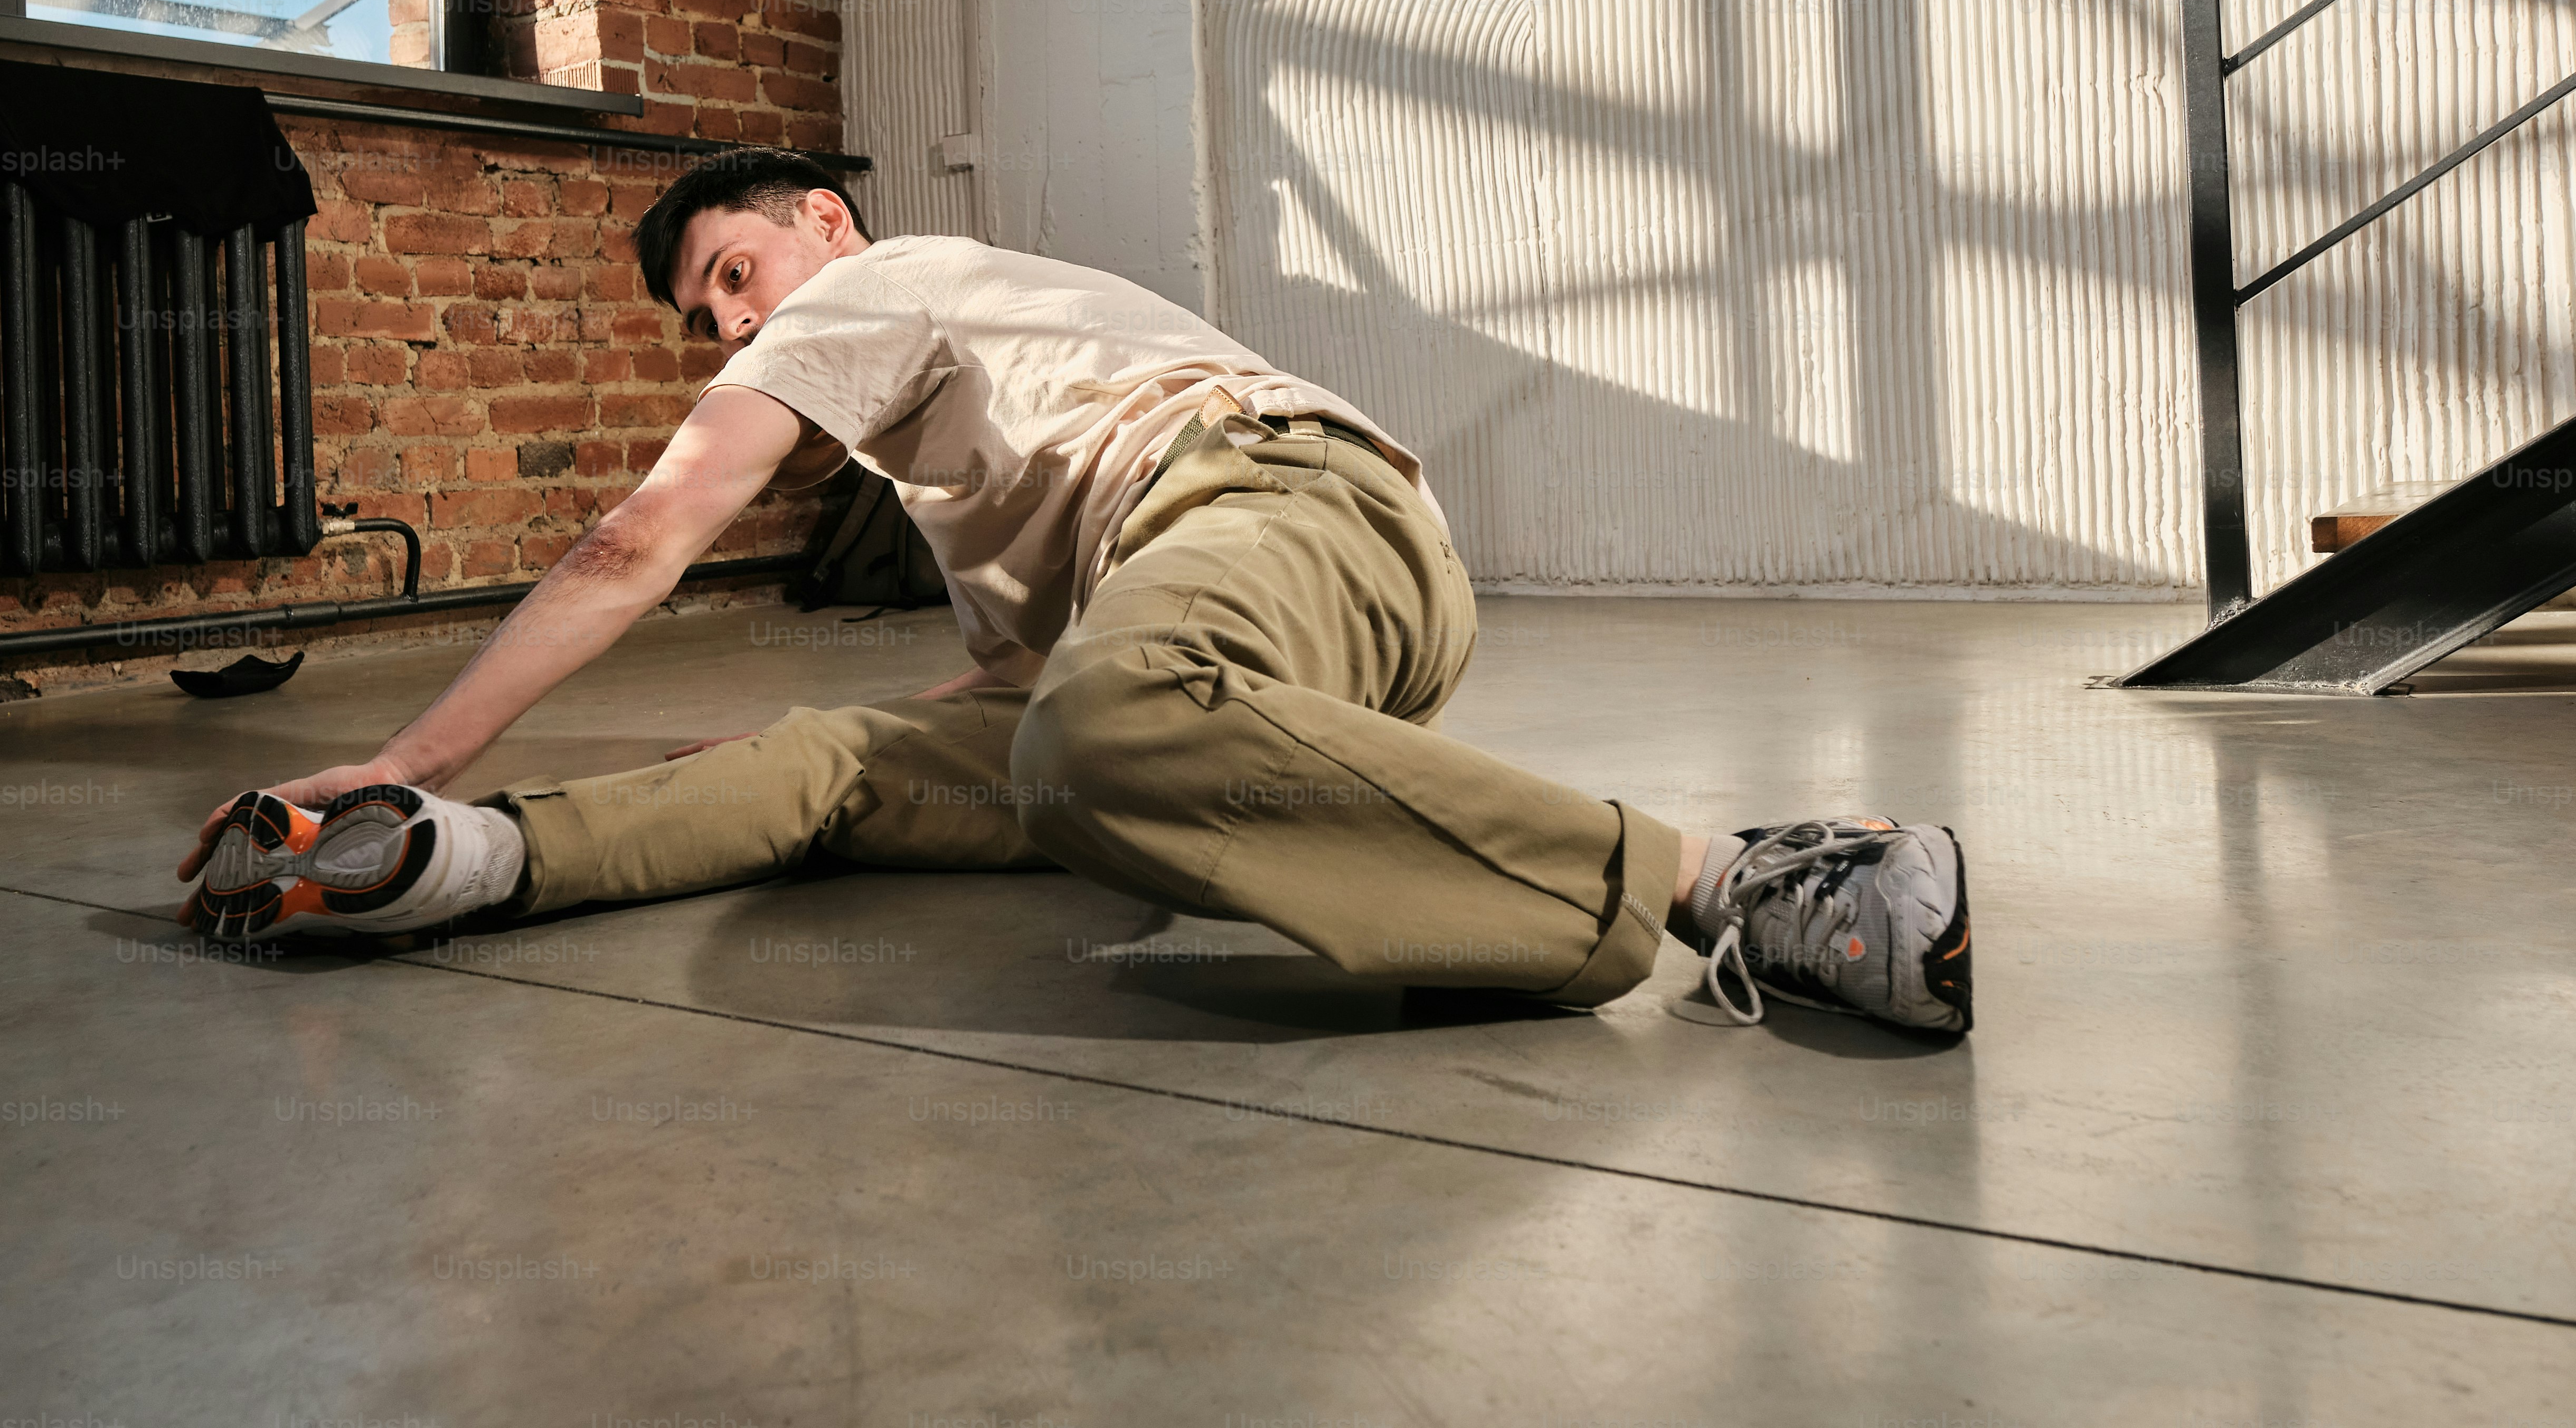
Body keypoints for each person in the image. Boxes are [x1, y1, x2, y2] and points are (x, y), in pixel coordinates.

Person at [174, 150, 1973, 1033]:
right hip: (1238, 662)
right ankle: (442, 864)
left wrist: (404, 728)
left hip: (1288, 514)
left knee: (1094, 737)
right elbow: (1008, 685)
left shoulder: (886, 288)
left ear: (822, 222)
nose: (736, 327)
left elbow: (633, 542)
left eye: (738, 275)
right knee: (850, 753)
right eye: (713, 321)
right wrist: (802, 749)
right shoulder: (941, 453)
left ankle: (1738, 877)